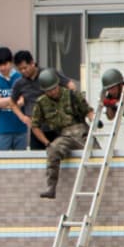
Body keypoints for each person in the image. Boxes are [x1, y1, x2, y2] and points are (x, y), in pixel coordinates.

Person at [30, 68, 91, 198]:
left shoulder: (72, 95)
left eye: (54, 88)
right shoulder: (41, 103)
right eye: (49, 90)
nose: (53, 92)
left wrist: (95, 122)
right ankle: (51, 187)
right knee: (53, 150)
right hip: (64, 135)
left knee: (96, 154)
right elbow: (34, 125)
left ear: (58, 84)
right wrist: (46, 142)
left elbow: (88, 111)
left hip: (80, 131)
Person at [0, 45, 28, 151]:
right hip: (1, 130)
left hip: (20, 129)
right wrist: (14, 99)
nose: (2, 68)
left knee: (21, 163)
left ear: (11, 62)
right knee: (0, 163)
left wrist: (2, 100)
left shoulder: (21, 78)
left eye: (5, 64)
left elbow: (22, 101)